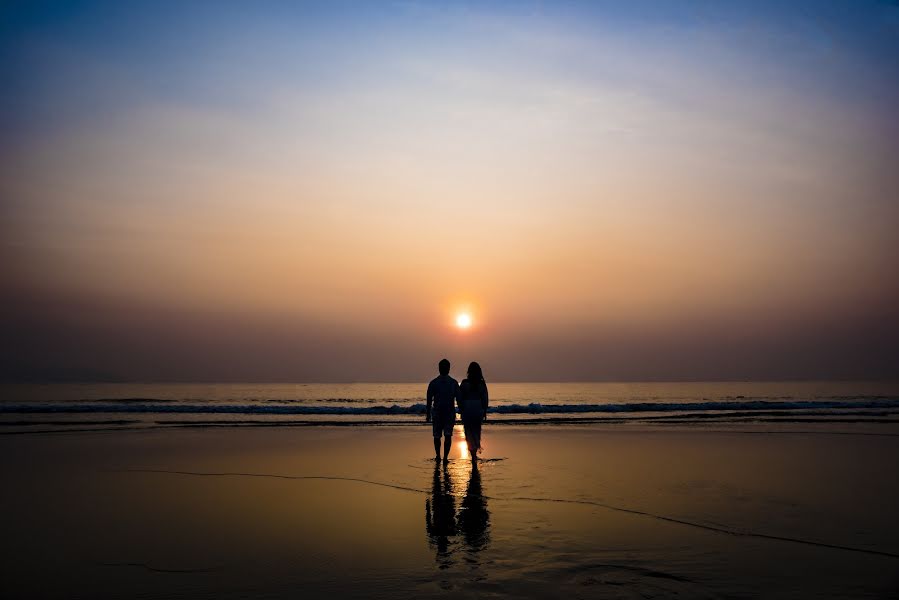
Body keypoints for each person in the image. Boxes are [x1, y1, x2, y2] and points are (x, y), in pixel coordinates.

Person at [426, 358, 459, 461]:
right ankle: (444, 457)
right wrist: (462, 411)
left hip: (439, 412)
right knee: (447, 435)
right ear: (448, 369)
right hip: (447, 413)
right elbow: (459, 399)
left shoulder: (434, 383)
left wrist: (428, 413)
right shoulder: (453, 383)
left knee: (437, 436)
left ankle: (439, 456)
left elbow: (428, 400)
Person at [458, 361, 488, 465]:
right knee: (476, 432)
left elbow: (459, 398)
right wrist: (485, 411)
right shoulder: (481, 384)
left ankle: (473, 455)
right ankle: (474, 454)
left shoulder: (464, 383)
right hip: (478, 408)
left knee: (468, 432)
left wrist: (461, 409)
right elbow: (485, 398)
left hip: (467, 408)